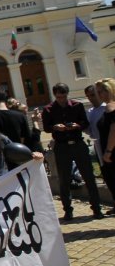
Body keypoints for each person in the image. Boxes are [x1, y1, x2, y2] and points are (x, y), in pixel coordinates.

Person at [41, 83, 103, 221]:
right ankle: (68, 210)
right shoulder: (48, 109)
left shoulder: (77, 105)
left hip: (78, 143)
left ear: (67, 94)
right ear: (55, 95)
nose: (61, 99)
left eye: (64, 96)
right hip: (61, 146)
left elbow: (85, 123)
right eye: (59, 97)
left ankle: (97, 209)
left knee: (89, 177)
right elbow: (46, 128)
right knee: (64, 179)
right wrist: (55, 127)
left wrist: (77, 126)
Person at [95, 78, 115, 215]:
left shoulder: (110, 107)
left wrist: (108, 151)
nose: (98, 95)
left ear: (108, 91)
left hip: (112, 153)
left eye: (100, 92)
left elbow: (114, 131)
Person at [85, 84, 107, 163]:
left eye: (93, 95)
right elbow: (90, 131)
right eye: (88, 96)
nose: (90, 98)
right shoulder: (89, 112)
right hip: (98, 144)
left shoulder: (107, 108)